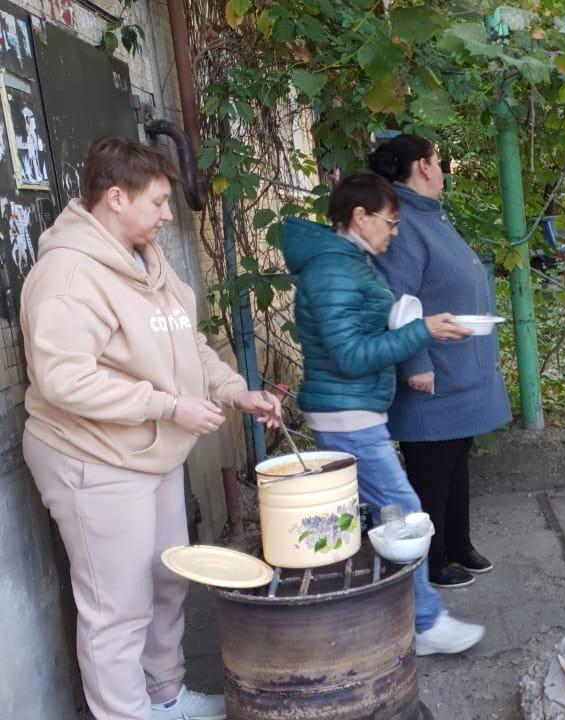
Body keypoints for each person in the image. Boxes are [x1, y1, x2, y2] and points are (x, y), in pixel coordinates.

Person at [20, 137, 283, 720]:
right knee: (117, 607)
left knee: (168, 579)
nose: (170, 214)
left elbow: (184, 343)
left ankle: (164, 697)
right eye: (159, 201)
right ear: (116, 197)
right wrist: (166, 406)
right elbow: (64, 380)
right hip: (91, 457)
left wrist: (232, 390)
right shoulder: (67, 276)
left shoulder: (146, 259)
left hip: (150, 452)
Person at [281, 172, 486, 657]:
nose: (394, 233)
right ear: (360, 216)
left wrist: (412, 326)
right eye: (390, 223)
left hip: (354, 412)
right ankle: (425, 623)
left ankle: (389, 620)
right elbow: (350, 355)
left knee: (383, 518)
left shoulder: (351, 263)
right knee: (406, 516)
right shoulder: (334, 270)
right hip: (347, 416)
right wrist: (421, 332)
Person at [368, 134, 512, 589]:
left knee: (456, 456)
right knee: (431, 465)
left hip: (460, 363)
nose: (443, 169)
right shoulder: (404, 222)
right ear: (424, 166)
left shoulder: (431, 215)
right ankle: (430, 560)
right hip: (433, 369)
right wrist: (415, 364)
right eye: (438, 160)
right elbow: (398, 301)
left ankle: (457, 542)